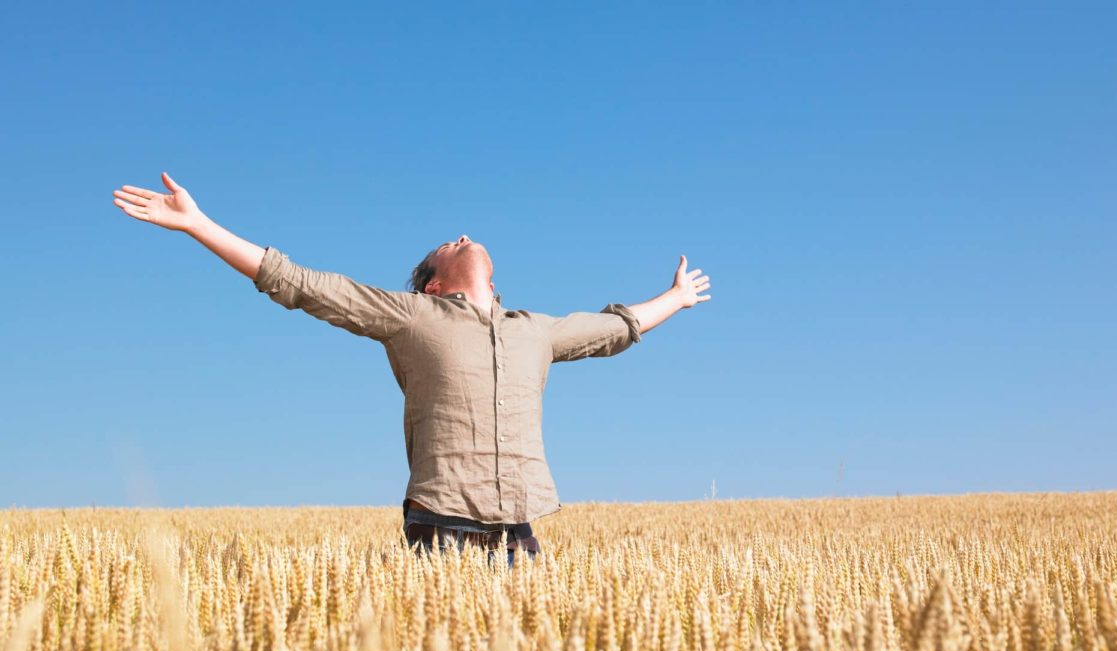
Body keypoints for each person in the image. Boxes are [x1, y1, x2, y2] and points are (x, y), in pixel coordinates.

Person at [112, 172, 713, 568]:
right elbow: (299, 284)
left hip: (520, 535)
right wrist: (198, 223)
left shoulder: (536, 330)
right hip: (438, 529)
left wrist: (677, 297)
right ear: (433, 284)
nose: (462, 234)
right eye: (448, 245)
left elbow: (614, 329)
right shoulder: (412, 315)